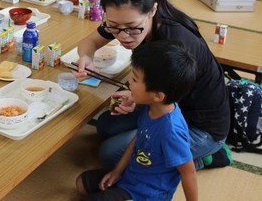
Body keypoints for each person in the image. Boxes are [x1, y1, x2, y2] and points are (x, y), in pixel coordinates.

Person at [74, 0, 231, 171]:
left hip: (199, 127)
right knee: (105, 126)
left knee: (110, 154)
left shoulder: (174, 44)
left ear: (153, 10)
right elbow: (90, 41)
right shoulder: (125, 19)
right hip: (166, 104)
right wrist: (86, 57)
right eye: (113, 26)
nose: (123, 36)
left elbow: (167, 109)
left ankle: (202, 158)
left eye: (132, 27)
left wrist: (138, 100)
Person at [76, 40, 198, 201]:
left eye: (134, 79)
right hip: (130, 178)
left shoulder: (171, 132)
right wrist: (117, 171)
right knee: (81, 183)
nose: (129, 84)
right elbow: (138, 139)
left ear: (157, 95)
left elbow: (188, 173)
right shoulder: (152, 107)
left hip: (145, 195)